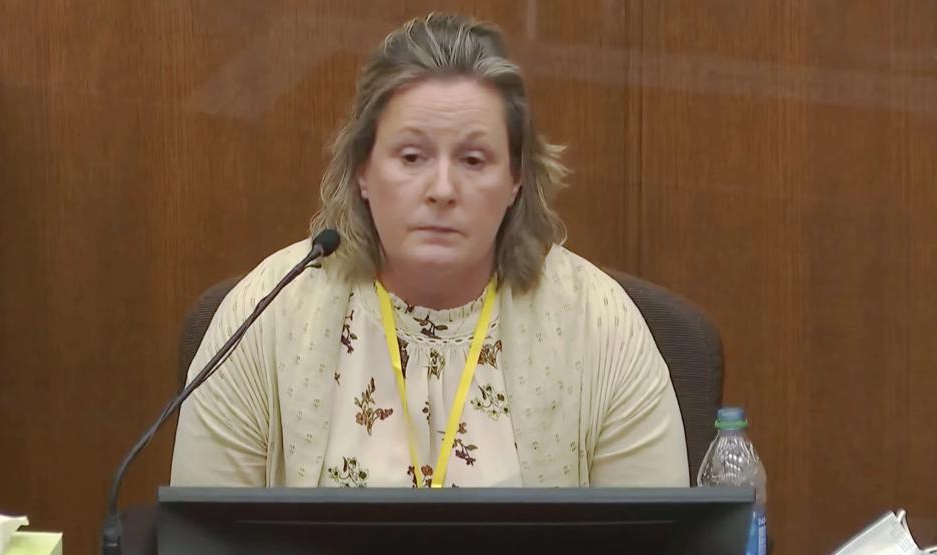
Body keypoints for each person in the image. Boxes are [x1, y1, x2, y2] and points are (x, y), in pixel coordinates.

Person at [170, 12, 688, 489]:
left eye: (473, 159)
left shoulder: (599, 327)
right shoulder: (265, 319)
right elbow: (205, 540)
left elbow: (659, 544)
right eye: (412, 156)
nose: (442, 189)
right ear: (364, 172)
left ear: (515, 181)